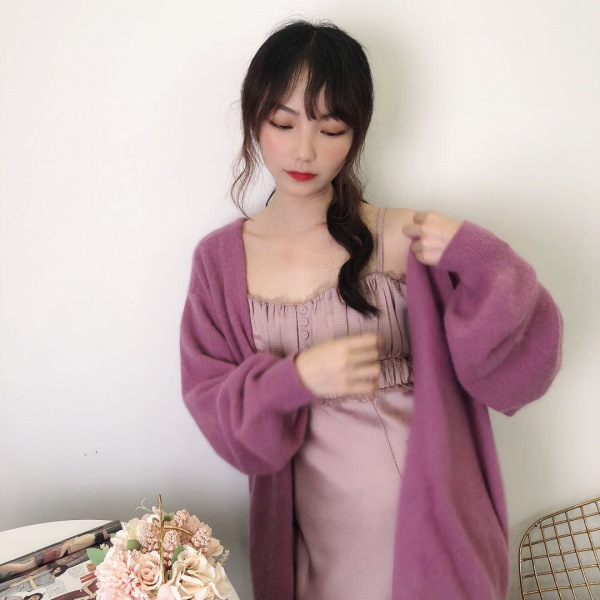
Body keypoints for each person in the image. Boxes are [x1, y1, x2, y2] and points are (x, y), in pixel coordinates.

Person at [180, 19, 563, 600]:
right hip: (315, 539)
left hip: (432, 526)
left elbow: (521, 369)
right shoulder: (220, 263)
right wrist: (296, 379)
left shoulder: (402, 236)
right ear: (254, 118)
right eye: (283, 123)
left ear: (357, 134)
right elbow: (216, 410)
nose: (305, 150)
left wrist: (481, 256)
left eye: (331, 129)